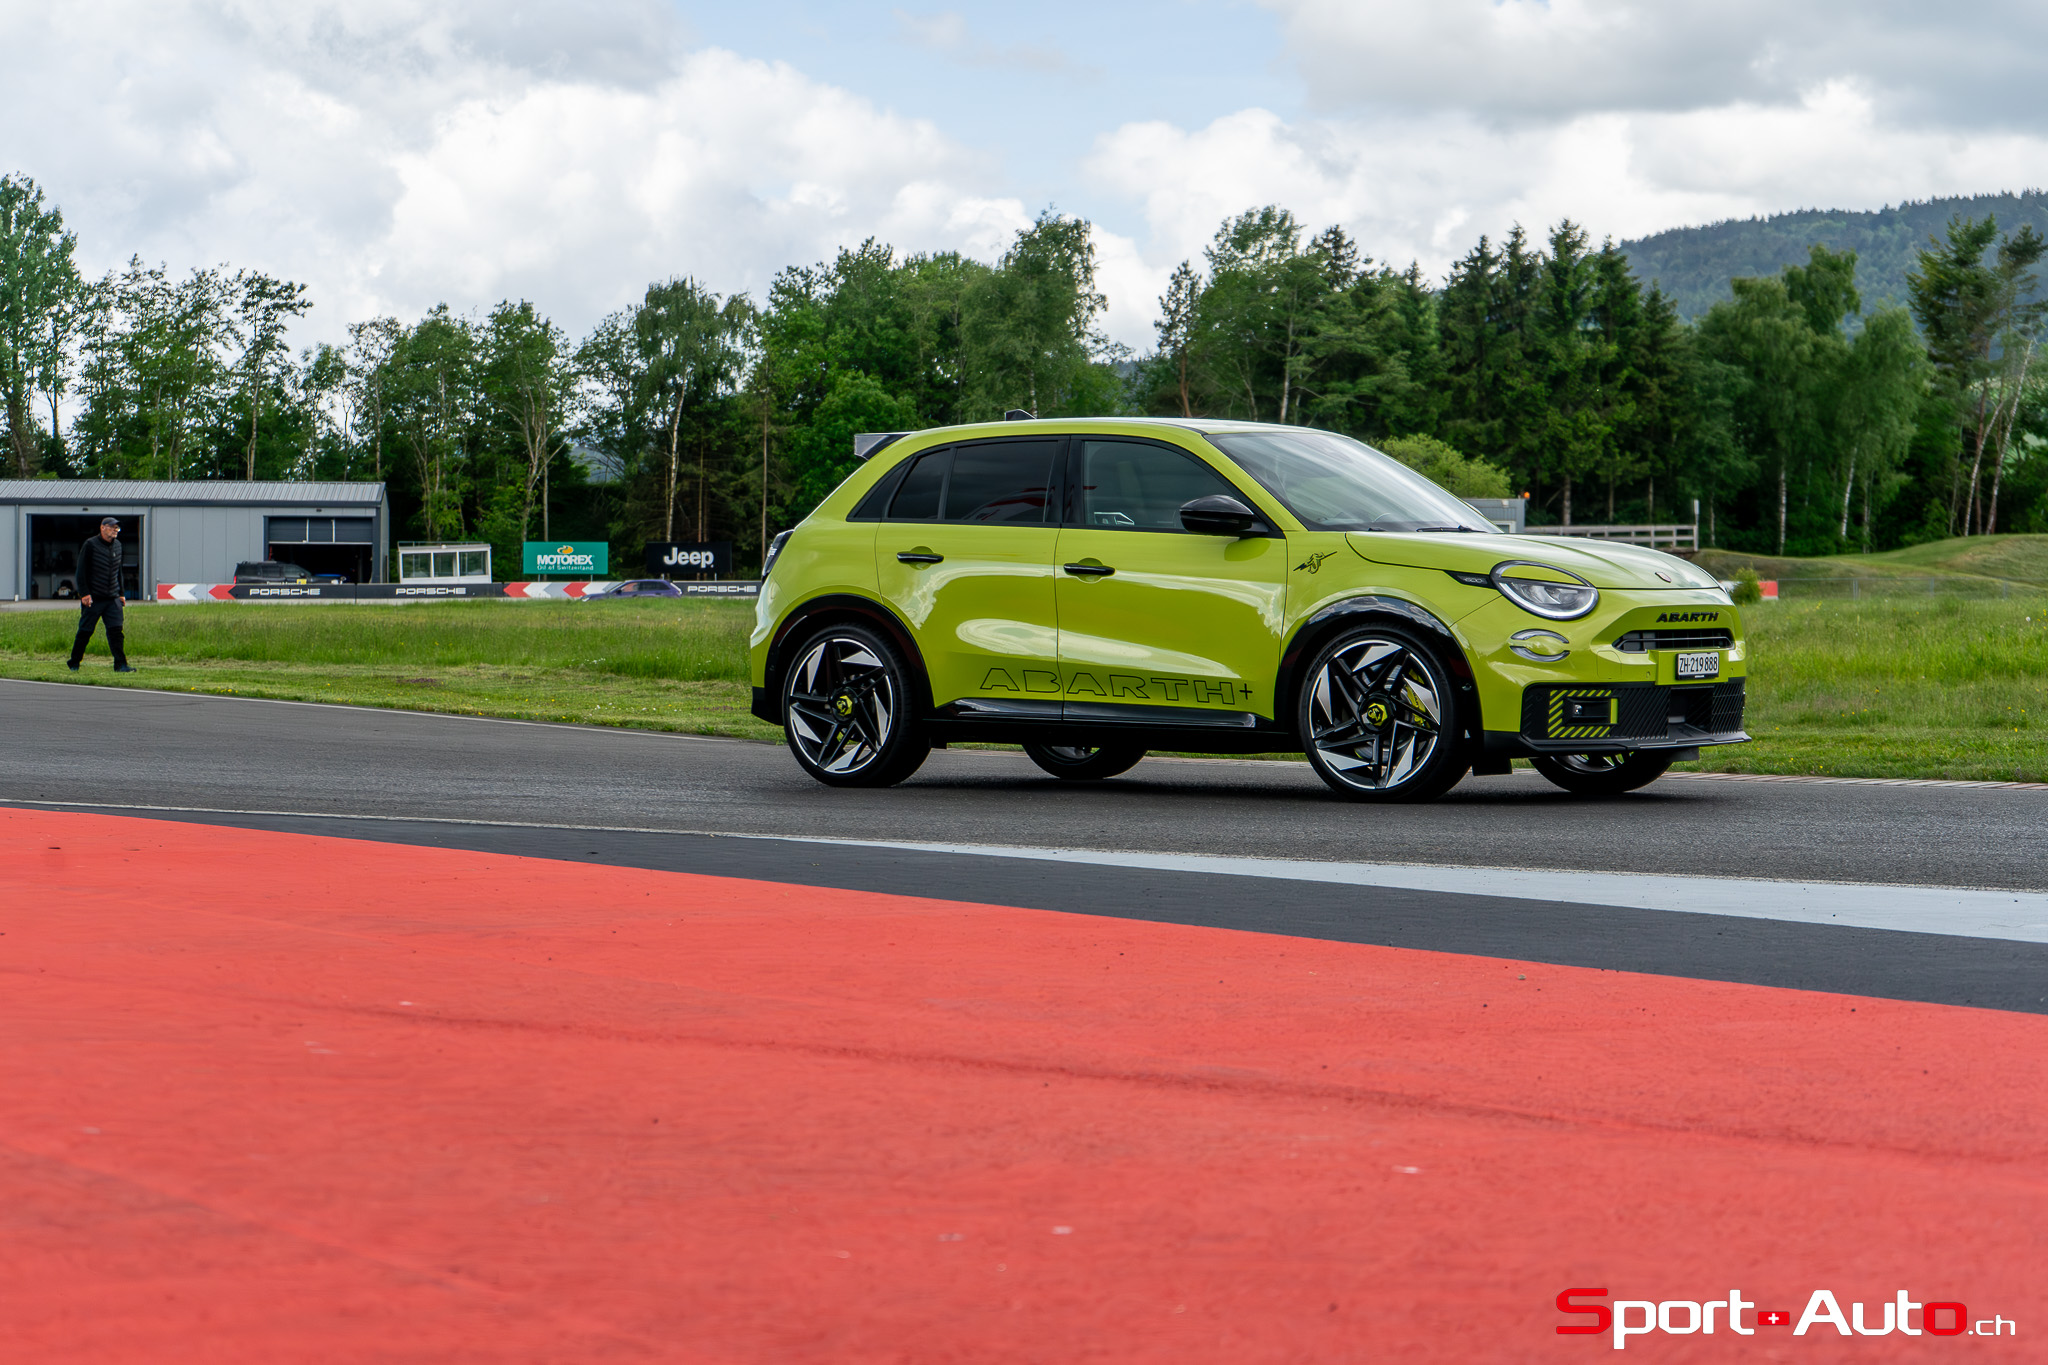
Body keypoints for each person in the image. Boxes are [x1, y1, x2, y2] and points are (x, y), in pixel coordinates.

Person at [69, 517, 135, 673]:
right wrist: (84, 594)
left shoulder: (118, 546)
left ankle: (121, 664)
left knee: (116, 632)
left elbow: (118, 571)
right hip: (94, 597)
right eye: (112, 527)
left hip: (112, 597)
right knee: (85, 631)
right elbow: (81, 571)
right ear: (103, 528)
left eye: (117, 528)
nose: (115, 530)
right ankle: (74, 662)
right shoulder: (90, 545)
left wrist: (121, 593)